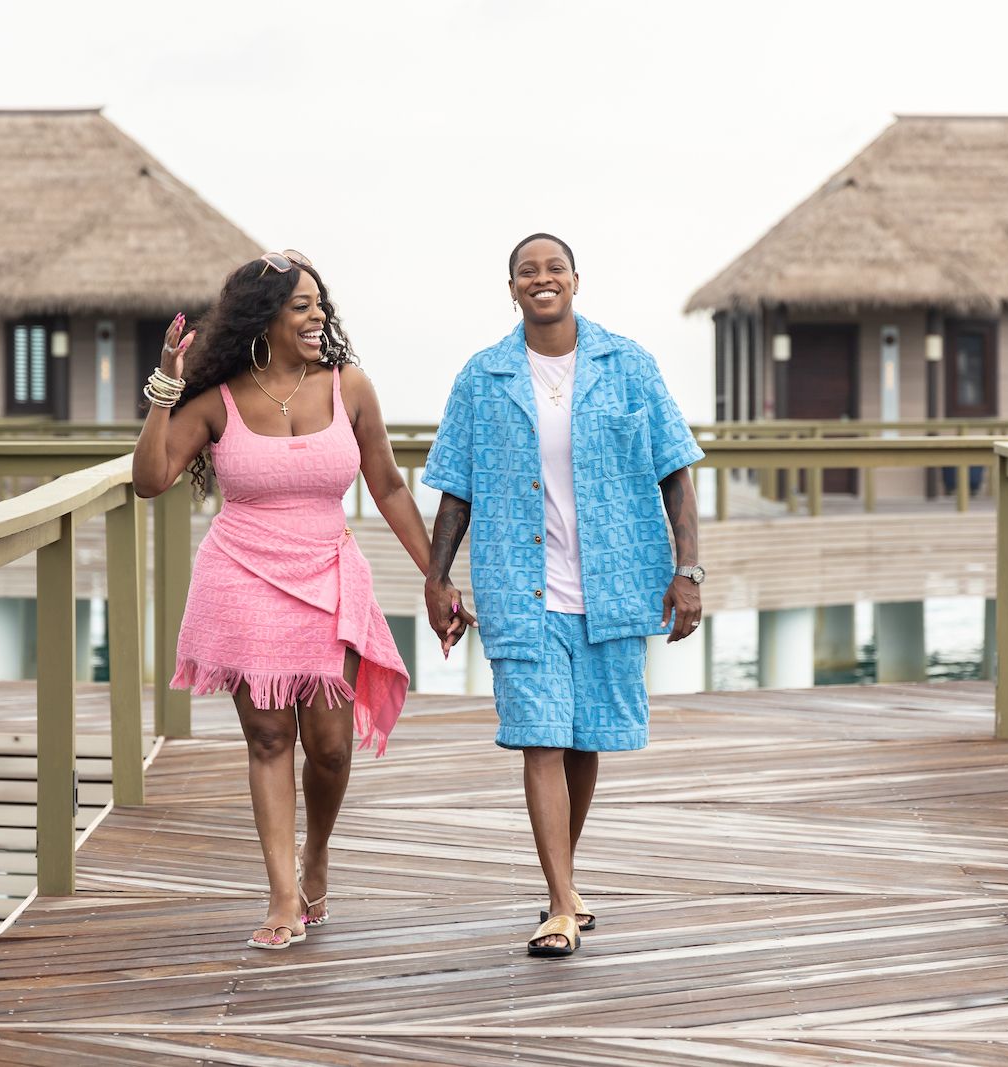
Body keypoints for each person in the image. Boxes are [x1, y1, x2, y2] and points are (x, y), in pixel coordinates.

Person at [133, 250, 471, 950]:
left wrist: (434, 576)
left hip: (327, 576)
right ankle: (282, 894)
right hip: (241, 576)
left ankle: (316, 850)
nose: (318, 315)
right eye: (301, 306)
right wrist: (165, 385)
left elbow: (389, 488)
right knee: (268, 739)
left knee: (331, 747)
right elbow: (150, 478)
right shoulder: (217, 399)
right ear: (266, 319)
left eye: (320, 303)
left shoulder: (350, 387)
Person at [422, 233, 704, 958]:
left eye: (553, 268)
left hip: (614, 583)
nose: (541, 279)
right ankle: (557, 901)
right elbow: (456, 488)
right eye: (527, 271)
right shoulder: (483, 376)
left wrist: (689, 571)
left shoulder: (627, 364)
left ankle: (565, 882)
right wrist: (437, 574)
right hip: (521, 587)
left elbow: (675, 470)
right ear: (511, 286)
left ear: (576, 279)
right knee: (540, 736)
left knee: (585, 740)